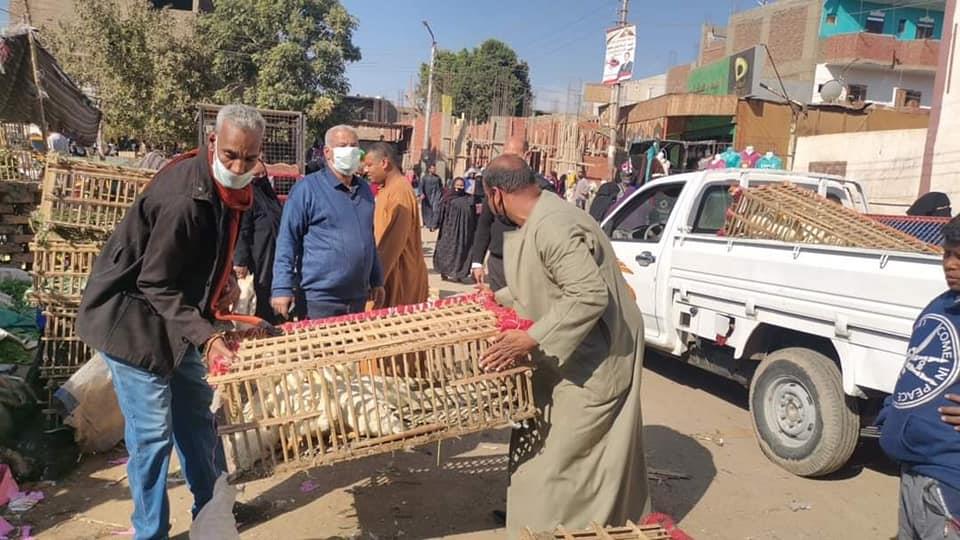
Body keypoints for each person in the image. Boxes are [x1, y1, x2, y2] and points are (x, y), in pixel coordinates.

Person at [76, 104, 262, 540]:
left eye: (249, 159)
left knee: (197, 419)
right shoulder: (185, 196)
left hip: (173, 322)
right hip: (132, 324)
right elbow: (155, 283)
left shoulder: (226, 189)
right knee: (153, 435)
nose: (238, 166)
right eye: (232, 154)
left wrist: (223, 287)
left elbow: (205, 253)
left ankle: (211, 512)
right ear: (213, 141)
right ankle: (150, 532)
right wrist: (209, 337)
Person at [478, 155, 649, 536]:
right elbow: (544, 281)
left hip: (596, 357)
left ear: (496, 194)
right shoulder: (539, 217)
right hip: (569, 350)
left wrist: (531, 337)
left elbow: (588, 295)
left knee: (565, 458)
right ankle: (532, 519)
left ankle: (560, 528)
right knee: (538, 443)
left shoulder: (553, 226)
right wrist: (498, 298)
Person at [879, 215, 960, 539]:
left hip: (948, 479)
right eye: (947, 254)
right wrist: (892, 411)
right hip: (912, 467)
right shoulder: (940, 305)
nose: (951, 265)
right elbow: (915, 365)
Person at [271, 125, 385, 320]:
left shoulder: (365, 190)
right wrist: (282, 286)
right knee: (319, 350)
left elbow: (368, 238)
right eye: (343, 146)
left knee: (353, 349)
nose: (349, 151)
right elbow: (287, 240)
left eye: (354, 146)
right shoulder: (307, 189)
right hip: (319, 299)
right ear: (327, 152)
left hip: (357, 297)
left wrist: (376, 279)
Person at [363, 143, 429, 307]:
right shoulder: (388, 189)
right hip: (389, 274)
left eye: (369, 165)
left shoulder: (399, 192)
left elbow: (392, 243)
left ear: (384, 163)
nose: (365, 170)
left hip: (398, 277)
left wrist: (376, 280)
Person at [233, 159, 283, 324]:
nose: (261, 178)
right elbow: (242, 230)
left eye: (263, 175)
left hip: (274, 251)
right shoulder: (246, 196)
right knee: (259, 292)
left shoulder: (268, 194)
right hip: (258, 255)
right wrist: (240, 261)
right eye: (256, 176)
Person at [433, 177, 477, 284]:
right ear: (453, 185)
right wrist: (436, 223)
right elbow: (441, 212)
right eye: (457, 185)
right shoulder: (448, 198)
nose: (459, 187)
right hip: (449, 230)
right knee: (446, 251)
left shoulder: (468, 199)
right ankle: (444, 271)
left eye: (462, 185)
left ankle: (459, 274)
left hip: (464, 231)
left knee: (462, 252)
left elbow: (474, 214)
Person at [420, 163, 443, 231]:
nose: (434, 170)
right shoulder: (424, 178)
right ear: (429, 169)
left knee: (435, 210)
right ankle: (428, 223)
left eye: (435, 168)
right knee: (427, 210)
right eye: (432, 168)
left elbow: (441, 187)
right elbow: (421, 186)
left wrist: (440, 195)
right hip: (426, 196)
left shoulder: (437, 178)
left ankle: (433, 225)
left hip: (436, 195)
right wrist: (421, 193)